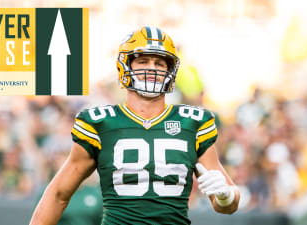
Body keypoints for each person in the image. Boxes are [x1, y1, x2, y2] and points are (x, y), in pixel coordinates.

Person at [30, 26, 240, 225]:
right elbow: (58, 194)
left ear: (171, 70)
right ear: (125, 66)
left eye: (159, 63)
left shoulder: (191, 122)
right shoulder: (101, 123)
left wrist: (225, 196)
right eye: (143, 61)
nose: (152, 68)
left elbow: (228, 205)